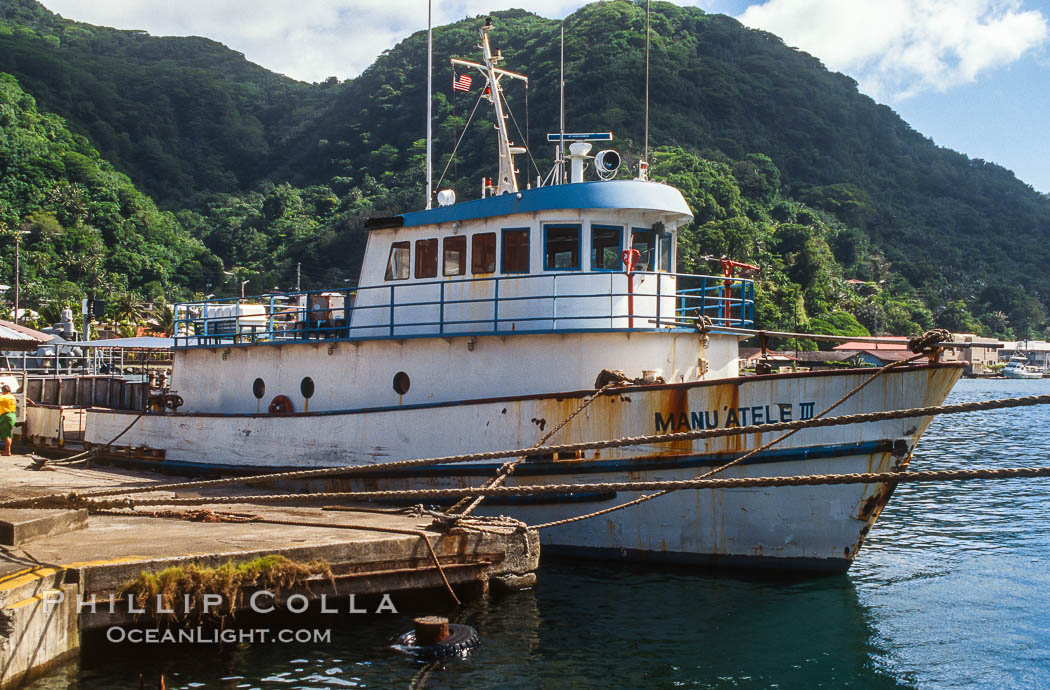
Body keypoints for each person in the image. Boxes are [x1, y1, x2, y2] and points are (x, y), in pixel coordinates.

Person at [0, 384, 17, 456]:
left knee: (6, 435)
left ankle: (7, 451)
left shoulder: (3, 397)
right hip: (12, 415)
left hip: (6, 416)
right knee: (9, 434)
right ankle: (6, 450)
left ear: (3, 390)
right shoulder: (12, 397)